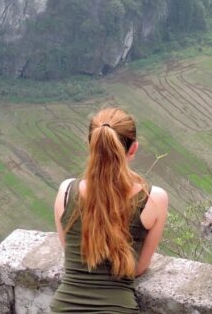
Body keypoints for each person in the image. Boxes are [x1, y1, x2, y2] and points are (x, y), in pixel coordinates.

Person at [51, 107, 169, 313]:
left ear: (91, 145)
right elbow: (138, 268)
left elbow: (70, 250)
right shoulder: (153, 199)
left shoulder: (66, 192)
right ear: (133, 149)